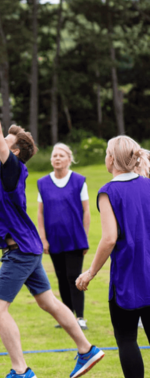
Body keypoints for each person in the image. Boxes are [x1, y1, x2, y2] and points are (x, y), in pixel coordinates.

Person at [0, 83, 103, 378]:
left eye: (6, 140)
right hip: (28, 246)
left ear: (13, 150)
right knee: (48, 301)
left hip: (20, 251)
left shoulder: (12, 168)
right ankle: (87, 350)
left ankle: (20, 370)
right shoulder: (1, 166)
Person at [76, 136, 150, 378]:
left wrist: (90, 272)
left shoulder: (109, 191)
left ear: (112, 158)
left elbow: (109, 238)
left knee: (127, 339)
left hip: (128, 278)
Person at [37, 143, 90, 330]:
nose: (57, 158)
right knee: (60, 278)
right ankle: (67, 318)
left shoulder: (78, 181)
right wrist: (43, 238)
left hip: (75, 239)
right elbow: (40, 214)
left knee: (73, 277)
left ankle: (80, 317)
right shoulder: (42, 183)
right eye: (54, 156)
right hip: (54, 239)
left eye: (61, 155)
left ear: (69, 159)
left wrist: (85, 237)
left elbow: (86, 211)